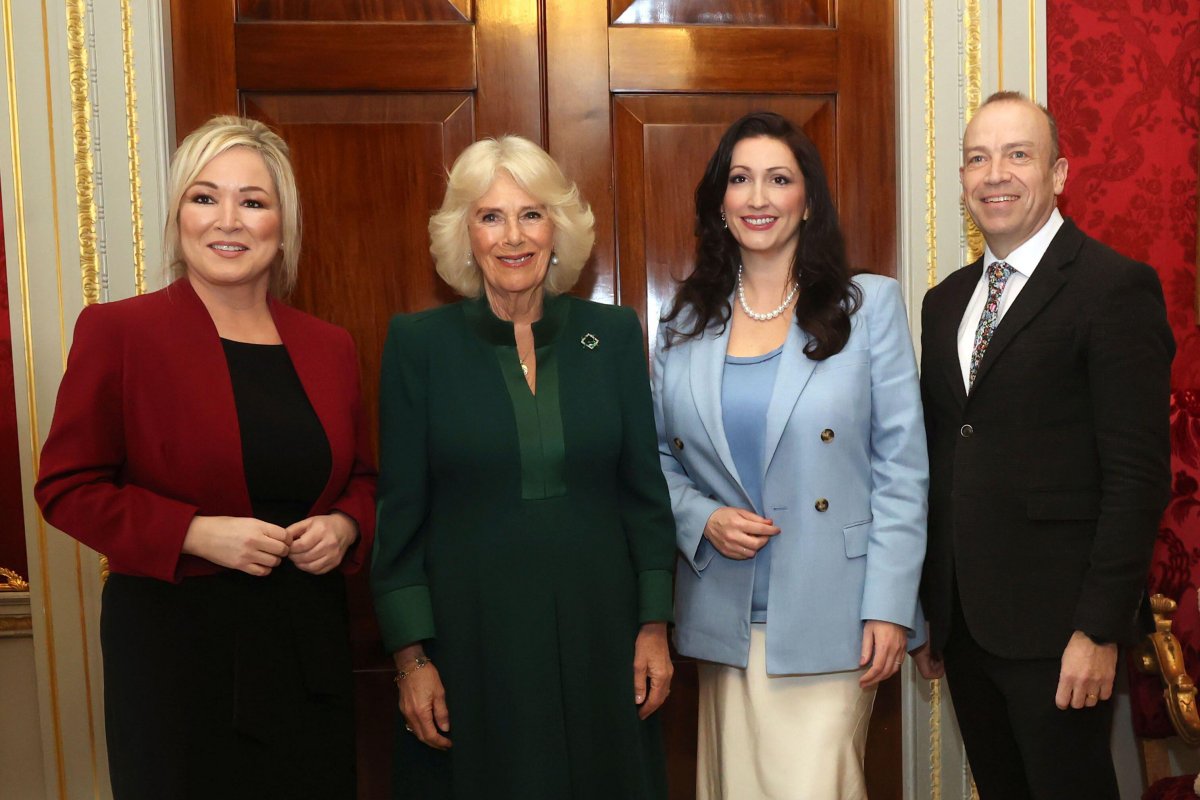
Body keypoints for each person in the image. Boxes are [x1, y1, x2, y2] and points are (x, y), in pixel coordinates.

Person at [34, 116, 376, 800]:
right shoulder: (119, 331)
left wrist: (344, 527)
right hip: (174, 656)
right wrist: (193, 531)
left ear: (282, 224)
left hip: (305, 649)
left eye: (253, 201)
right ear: (178, 215)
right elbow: (66, 487)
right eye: (204, 197)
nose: (228, 220)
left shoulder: (329, 346)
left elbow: (363, 479)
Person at [371, 135, 676, 799]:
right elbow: (399, 515)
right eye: (491, 216)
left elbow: (644, 496)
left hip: (603, 638)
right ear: (466, 234)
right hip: (472, 644)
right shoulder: (417, 346)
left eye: (531, 214)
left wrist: (654, 627)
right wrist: (411, 659)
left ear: (557, 228)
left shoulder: (613, 335)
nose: (513, 236)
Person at [653, 111, 928, 800]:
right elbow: (656, 457)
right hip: (724, 614)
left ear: (808, 200)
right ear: (720, 201)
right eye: (740, 179)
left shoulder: (868, 307)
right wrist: (701, 518)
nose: (758, 197)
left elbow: (902, 469)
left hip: (837, 616)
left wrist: (890, 607)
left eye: (779, 179)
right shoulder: (683, 321)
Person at [915, 91, 1174, 799]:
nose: (995, 174)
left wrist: (1099, 629)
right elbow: (942, 457)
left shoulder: (1113, 288)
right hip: (965, 627)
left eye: (1017, 155)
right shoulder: (944, 302)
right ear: (962, 179)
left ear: (1058, 174)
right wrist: (932, 607)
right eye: (977, 158)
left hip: (1063, 634)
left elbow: (1137, 477)